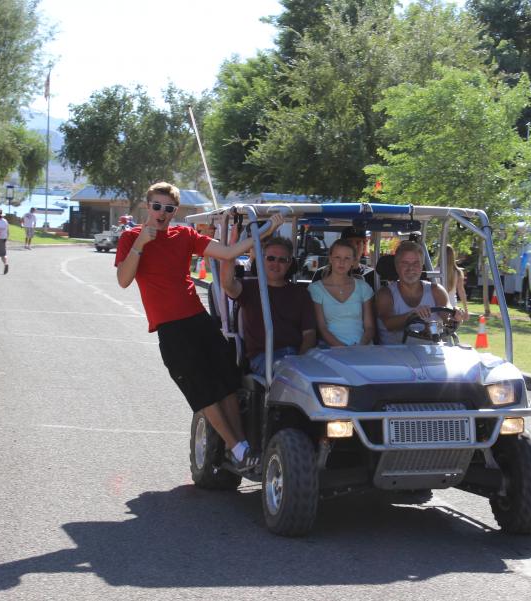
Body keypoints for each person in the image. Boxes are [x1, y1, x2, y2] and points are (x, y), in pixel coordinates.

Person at [115, 182, 282, 471]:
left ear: (175, 211)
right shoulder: (131, 238)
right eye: (157, 206)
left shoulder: (185, 235)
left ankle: (242, 447)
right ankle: (235, 446)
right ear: (147, 207)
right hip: (170, 329)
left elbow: (228, 253)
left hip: (198, 320)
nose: (162, 213)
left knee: (227, 382)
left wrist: (265, 231)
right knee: (203, 391)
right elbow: (123, 280)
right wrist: (141, 244)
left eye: (168, 208)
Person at [220, 235, 316, 377]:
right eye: (271, 258)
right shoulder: (248, 288)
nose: (275, 264)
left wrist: (300, 361)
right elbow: (227, 283)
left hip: (297, 355)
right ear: (261, 260)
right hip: (263, 357)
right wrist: (233, 245)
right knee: (289, 376)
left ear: (290, 263)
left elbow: (309, 334)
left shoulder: (301, 294)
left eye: (282, 260)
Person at [376, 241, 466, 344]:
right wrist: (412, 314)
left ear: (422, 266)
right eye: (405, 263)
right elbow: (388, 324)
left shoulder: (437, 290)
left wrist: (456, 316)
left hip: (431, 351)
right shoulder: (385, 294)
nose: (411, 268)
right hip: (394, 352)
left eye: (416, 263)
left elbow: (448, 317)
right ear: (396, 266)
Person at [308, 239, 375, 346]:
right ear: (330, 259)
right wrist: (343, 349)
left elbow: (369, 327)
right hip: (330, 349)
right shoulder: (316, 289)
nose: (342, 262)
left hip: (362, 348)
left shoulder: (363, 287)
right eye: (337, 257)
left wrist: (360, 346)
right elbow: (322, 328)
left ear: (353, 261)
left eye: (347, 258)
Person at [441, 244, 469, 315]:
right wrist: (466, 310)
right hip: (452, 307)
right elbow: (461, 291)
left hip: (438, 306)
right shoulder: (458, 272)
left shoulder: (435, 271)